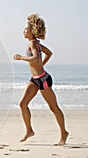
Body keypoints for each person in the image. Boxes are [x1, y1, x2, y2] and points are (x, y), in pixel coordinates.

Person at [13, 14, 69, 145]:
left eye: (26, 29)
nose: (23, 31)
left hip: (43, 79)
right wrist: (41, 65)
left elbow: (35, 58)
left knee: (54, 107)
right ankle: (29, 130)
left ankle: (63, 133)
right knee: (22, 104)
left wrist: (21, 58)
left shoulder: (33, 43)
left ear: (32, 31)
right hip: (35, 79)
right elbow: (49, 53)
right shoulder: (36, 43)